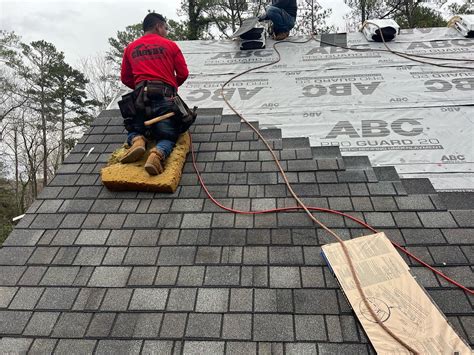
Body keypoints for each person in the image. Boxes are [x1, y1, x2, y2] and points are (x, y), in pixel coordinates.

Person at [120, 12, 189, 175]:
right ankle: (157, 155)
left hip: (139, 100)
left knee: (135, 129)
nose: (166, 32)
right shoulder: (170, 45)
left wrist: (140, 87)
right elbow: (183, 74)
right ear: (158, 26)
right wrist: (169, 88)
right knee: (168, 135)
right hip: (164, 99)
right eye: (165, 28)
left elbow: (125, 78)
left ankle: (137, 141)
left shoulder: (130, 48)